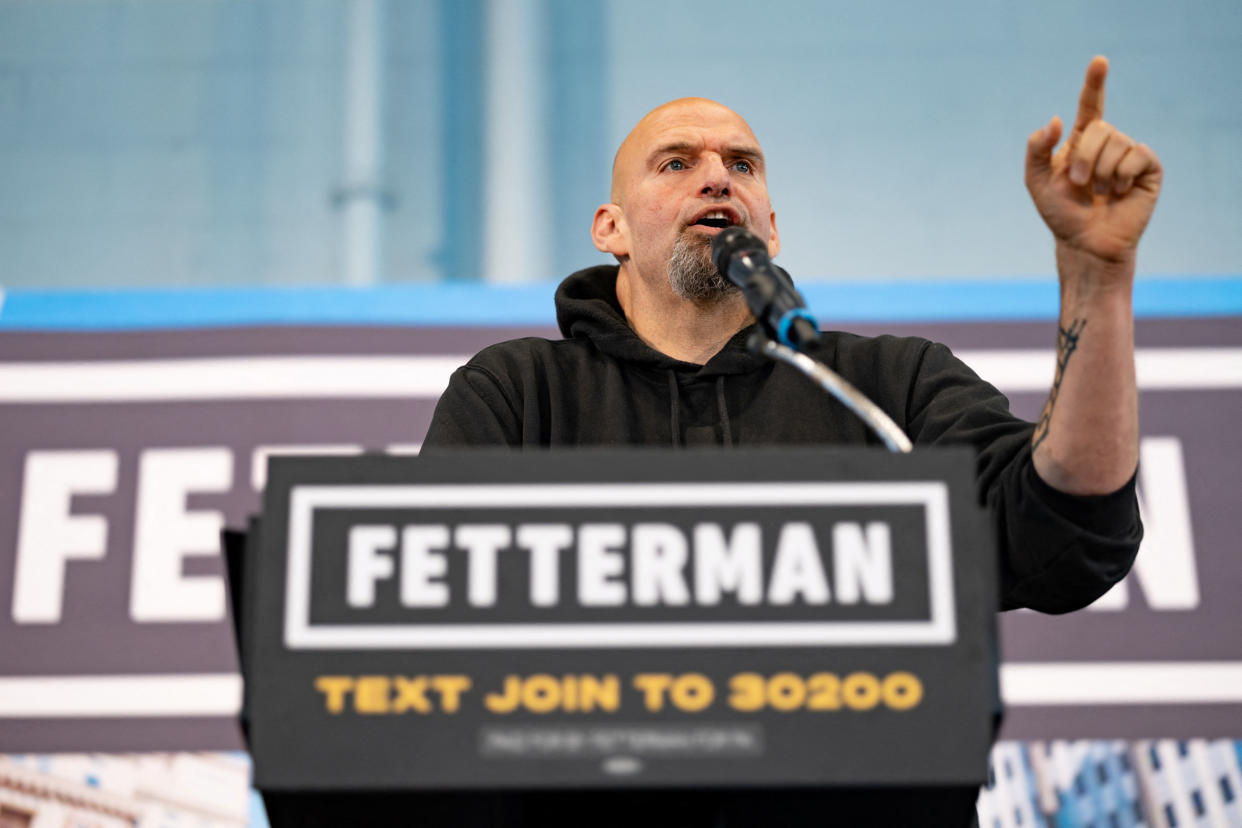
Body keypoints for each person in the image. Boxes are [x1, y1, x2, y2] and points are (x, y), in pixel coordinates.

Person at [424, 56, 1160, 614]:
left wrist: (1097, 277)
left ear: (770, 228)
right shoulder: (518, 393)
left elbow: (1062, 531)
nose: (717, 180)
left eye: (741, 165)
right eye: (677, 163)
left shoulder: (888, 386)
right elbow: (429, 599)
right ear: (608, 228)